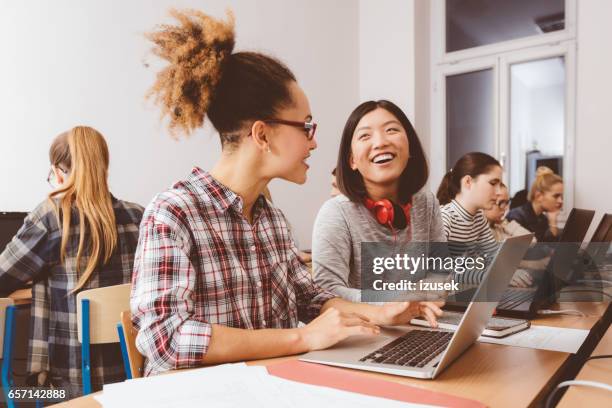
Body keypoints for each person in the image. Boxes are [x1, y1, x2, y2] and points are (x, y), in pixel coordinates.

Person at [130, 9, 443, 377]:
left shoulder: (272, 220)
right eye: (306, 127)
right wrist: (300, 339)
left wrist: (381, 312)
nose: (314, 143)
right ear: (262, 135)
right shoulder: (174, 212)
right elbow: (166, 339)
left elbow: (310, 300)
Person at [0, 126, 144, 397]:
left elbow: (2, 277)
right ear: (104, 167)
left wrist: (36, 273)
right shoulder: (138, 216)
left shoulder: (52, 218)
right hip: (134, 374)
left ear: (57, 172)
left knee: (19, 392)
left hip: (71, 385)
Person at [312, 100, 446, 302]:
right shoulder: (336, 212)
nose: (381, 142)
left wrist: (414, 301)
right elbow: (326, 291)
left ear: (409, 148)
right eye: (365, 135)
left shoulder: (426, 202)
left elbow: (441, 273)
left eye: (391, 130)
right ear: (352, 161)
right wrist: (397, 302)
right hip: (365, 328)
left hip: (423, 324)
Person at [436, 152, 502, 284]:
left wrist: (508, 272)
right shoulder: (444, 217)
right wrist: (487, 276)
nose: (499, 191)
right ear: (468, 182)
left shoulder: (478, 218)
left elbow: (493, 256)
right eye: (493, 183)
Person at [506, 167, 563, 242]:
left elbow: (549, 249)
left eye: (561, 197)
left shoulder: (543, 219)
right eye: (556, 196)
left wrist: (553, 222)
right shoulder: (516, 217)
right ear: (539, 196)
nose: (560, 201)